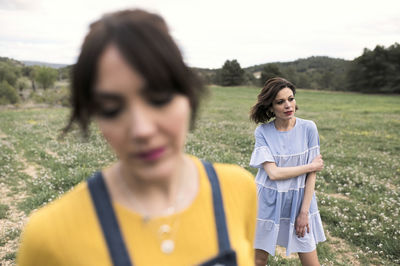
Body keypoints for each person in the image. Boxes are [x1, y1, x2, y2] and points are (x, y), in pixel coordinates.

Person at [17, 9, 257, 266]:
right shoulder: (49, 238)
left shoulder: (238, 189)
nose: (142, 130)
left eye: (159, 99)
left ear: (188, 96)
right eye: (112, 109)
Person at [249, 77, 326, 266]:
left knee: (311, 260)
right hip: (267, 200)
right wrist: (310, 166)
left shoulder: (308, 128)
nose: (288, 105)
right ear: (270, 107)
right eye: (280, 102)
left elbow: (311, 176)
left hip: (300, 201)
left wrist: (304, 212)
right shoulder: (263, 132)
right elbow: (273, 174)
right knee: (258, 260)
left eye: (291, 99)